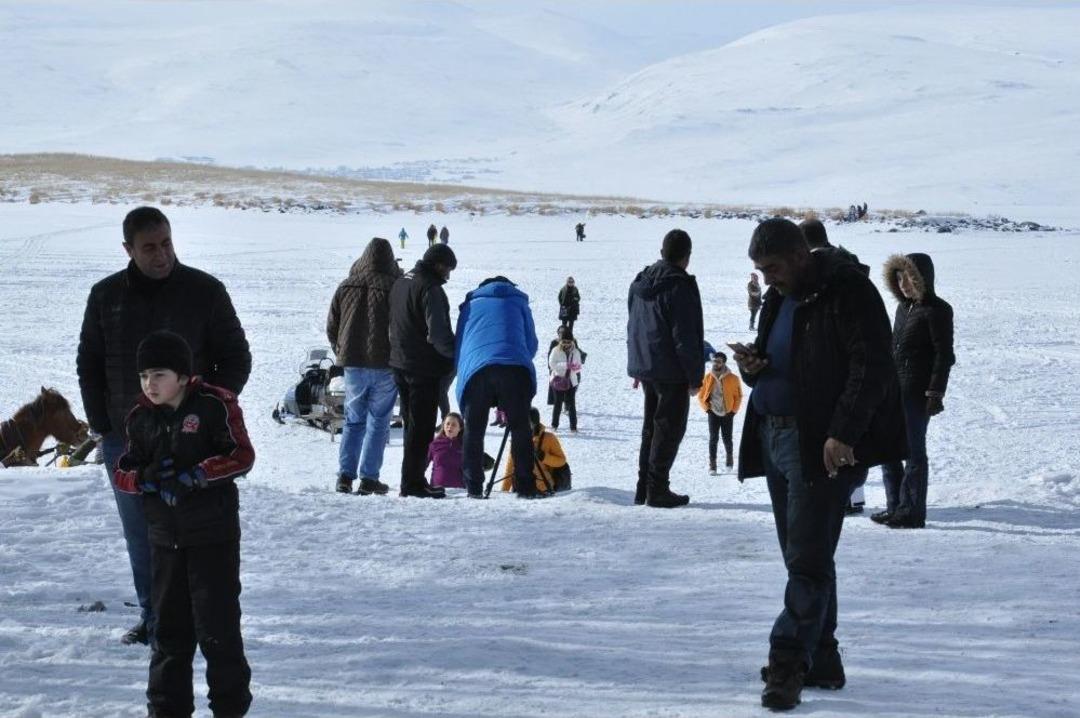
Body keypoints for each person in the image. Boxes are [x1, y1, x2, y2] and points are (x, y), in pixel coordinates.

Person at [732, 218, 905, 710]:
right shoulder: (777, 297)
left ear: (801, 256)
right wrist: (753, 366)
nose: (767, 279)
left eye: (773, 268)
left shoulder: (849, 291)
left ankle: (786, 664)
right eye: (760, 271)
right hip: (773, 436)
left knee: (806, 562)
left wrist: (843, 433)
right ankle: (822, 659)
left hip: (820, 446)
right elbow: (780, 358)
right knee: (804, 560)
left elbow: (871, 367)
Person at [77, 207, 251, 647]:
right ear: (128, 250)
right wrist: (103, 425)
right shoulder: (105, 297)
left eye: (167, 243)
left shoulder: (204, 291)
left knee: (195, 530)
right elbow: (90, 364)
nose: (162, 255)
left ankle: (199, 618)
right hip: (128, 438)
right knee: (142, 531)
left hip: (195, 439)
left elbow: (235, 357)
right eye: (150, 247)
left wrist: (207, 410)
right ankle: (155, 617)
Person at [113, 330, 253, 718]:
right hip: (164, 539)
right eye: (143, 376)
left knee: (218, 631)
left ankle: (229, 709)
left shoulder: (214, 404)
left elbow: (242, 455)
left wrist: (198, 475)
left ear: (182, 375)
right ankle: (165, 711)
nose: (149, 384)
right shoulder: (140, 416)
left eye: (158, 375)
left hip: (212, 537)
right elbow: (122, 472)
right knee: (168, 634)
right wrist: (146, 477)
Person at [874, 253, 955, 529]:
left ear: (923, 278)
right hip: (893, 389)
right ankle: (895, 506)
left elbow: (944, 355)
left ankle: (911, 511)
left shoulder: (938, 310)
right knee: (888, 448)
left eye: (909, 277)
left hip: (916, 392)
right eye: (899, 278)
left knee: (913, 451)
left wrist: (935, 393)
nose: (904, 283)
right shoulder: (903, 309)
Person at [627, 229, 704, 508]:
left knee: (651, 426)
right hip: (670, 369)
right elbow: (685, 335)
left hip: (647, 364)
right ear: (687, 258)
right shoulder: (678, 286)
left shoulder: (640, 281)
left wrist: (637, 363)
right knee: (669, 428)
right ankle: (656, 488)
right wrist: (695, 377)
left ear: (662, 253)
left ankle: (644, 487)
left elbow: (633, 321)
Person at [799, 217, 871, 514]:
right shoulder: (849, 264)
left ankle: (843, 495)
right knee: (852, 435)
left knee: (836, 432)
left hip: (832, 368)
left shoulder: (823, 272)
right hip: (850, 365)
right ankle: (855, 497)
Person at [326, 237, 401, 496]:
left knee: (353, 420)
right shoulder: (395, 286)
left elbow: (332, 325)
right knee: (379, 422)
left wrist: (341, 350)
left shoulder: (346, 285)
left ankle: (345, 477)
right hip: (385, 364)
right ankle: (369, 478)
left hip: (353, 364)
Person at [454, 275, 540, 498]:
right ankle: (525, 486)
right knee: (521, 427)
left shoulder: (470, 305)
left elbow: (460, 344)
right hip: (514, 369)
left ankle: (473, 487)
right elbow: (531, 344)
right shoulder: (519, 303)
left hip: (476, 371)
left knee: (473, 430)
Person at [389, 243, 458, 498]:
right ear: (438, 265)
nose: (448, 276)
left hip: (399, 363)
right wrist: (455, 355)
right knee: (421, 429)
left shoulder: (402, 282)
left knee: (411, 426)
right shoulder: (431, 289)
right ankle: (413, 484)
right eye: (447, 269)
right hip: (423, 368)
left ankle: (411, 479)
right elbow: (438, 335)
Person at [501, 407, 568, 494]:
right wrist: (504, 492)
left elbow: (561, 461)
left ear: (535, 423)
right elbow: (510, 468)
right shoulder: (517, 439)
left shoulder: (549, 438)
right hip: (520, 489)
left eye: (527, 422)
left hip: (544, 488)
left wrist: (544, 457)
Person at [697, 351, 742, 473]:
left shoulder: (733, 378)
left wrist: (733, 411)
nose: (716, 364)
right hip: (713, 412)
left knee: (727, 438)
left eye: (719, 362)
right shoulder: (708, 377)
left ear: (724, 363)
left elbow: (739, 396)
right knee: (713, 438)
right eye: (715, 361)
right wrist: (707, 409)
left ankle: (729, 460)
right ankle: (713, 465)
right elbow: (701, 395)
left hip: (728, 412)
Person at [548, 329, 583, 432]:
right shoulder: (555, 350)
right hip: (558, 380)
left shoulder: (575, 351)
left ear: (572, 342)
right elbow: (552, 364)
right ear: (560, 341)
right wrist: (565, 365)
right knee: (558, 404)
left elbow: (579, 366)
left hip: (571, 381)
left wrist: (575, 367)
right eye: (564, 342)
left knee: (571, 404)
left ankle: (573, 427)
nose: (566, 344)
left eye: (568, 342)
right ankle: (554, 425)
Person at [428, 413, 465, 489]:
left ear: (460, 428)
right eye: (447, 424)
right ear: (443, 426)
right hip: (437, 490)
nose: (450, 427)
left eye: (454, 425)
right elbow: (421, 465)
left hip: (461, 492)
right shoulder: (435, 444)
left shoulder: (466, 446)